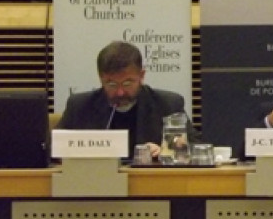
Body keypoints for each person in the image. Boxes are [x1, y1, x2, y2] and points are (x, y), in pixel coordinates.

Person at [57, 40, 198, 159]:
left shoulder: (168, 105)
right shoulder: (80, 106)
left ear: (141, 76)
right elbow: (54, 150)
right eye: (112, 84)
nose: (120, 92)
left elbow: (196, 148)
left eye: (127, 83)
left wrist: (166, 152)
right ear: (101, 78)